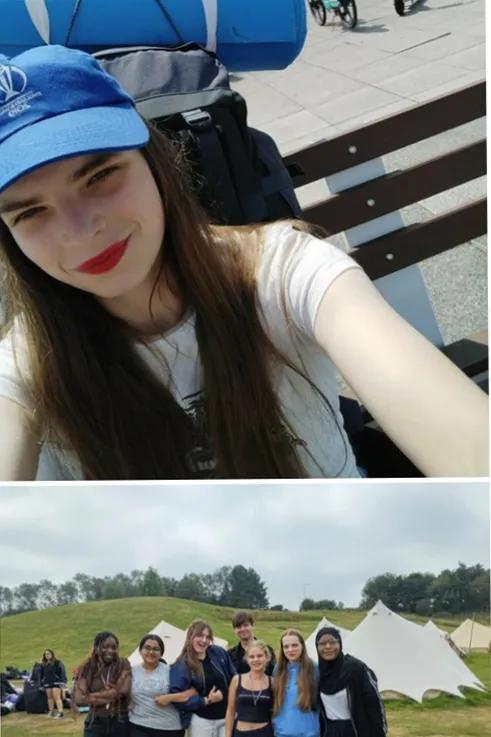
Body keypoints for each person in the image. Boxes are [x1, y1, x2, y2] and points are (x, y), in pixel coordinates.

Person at [0, 45, 487, 482]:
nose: (80, 230)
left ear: (156, 161)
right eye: (30, 211)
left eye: (100, 174)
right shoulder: (29, 360)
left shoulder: (282, 271)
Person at [315, 627, 387, 737]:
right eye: (322, 643)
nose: (328, 646)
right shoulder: (318, 673)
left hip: (356, 730)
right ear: (317, 647)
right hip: (330, 732)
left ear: (340, 644)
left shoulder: (356, 669)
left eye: (333, 642)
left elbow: (375, 706)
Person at [170, 619, 236, 737]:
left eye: (207, 637)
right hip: (202, 721)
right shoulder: (182, 665)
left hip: (227, 717)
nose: (204, 640)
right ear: (190, 636)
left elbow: (234, 677)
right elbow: (176, 698)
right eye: (200, 635)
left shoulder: (219, 652)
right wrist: (206, 700)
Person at [129, 633, 198, 737]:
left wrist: (170, 697)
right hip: (138, 726)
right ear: (140, 651)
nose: (151, 652)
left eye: (156, 649)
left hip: (169, 728)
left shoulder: (172, 671)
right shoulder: (131, 672)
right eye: (147, 648)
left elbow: (194, 691)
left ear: (161, 653)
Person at [74, 631, 132, 737]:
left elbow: (123, 690)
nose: (110, 651)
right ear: (96, 647)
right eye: (105, 647)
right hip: (95, 722)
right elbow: (79, 699)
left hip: (119, 721)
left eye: (114, 647)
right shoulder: (87, 667)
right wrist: (112, 694)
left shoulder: (123, 664)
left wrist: (91, 696)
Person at [272, 629, 319, 737]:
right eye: (286, 646)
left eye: (294, 645)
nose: (290, 650)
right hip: (281, 733)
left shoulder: (313, 668)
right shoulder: (278, 669)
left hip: (309, 733)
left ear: (302, 646)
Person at [225, 640, 274, 737]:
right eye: (251, 657)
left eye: (260, 656)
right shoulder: (237, 680)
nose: (256, 660)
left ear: (267, 657)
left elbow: (275, 711)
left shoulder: (272, 682)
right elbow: (230, 711)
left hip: (264, 732)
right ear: (247, 659)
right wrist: (227, 735)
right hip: (240, 733)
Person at [38, 649, 67, 719]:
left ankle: (60, 712)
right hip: (47, 682)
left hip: (56, 682)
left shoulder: (58, 663)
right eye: (46, 654)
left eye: (48, 654)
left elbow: (62, 672)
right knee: (49, 697)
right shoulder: (43, 664)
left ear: (52, 654)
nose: (47, 655)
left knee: (57, 697)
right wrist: (42, 683)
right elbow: (41, 675)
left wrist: (62, 682)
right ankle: (51, 711)